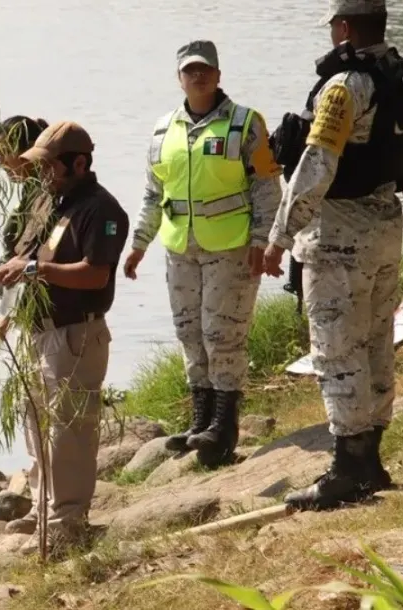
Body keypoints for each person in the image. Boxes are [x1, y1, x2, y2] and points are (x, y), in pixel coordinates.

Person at [264, 0, 403, 511]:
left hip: (339, 236)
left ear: (345, 28)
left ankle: (348, 471)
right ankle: (369, 458)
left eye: (333, 25)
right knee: (375, 342)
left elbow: (316, 165)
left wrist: (279, 235)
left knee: (336, 349)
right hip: (386, 226)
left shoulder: (343, 87)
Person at [122, 40, 283, 468]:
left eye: (205, 69)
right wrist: (139, 244)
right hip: (180, 248)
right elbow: (153, 193)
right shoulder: (164, 129)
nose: (198, 76)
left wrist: (262, 241)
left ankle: (224, 426)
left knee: (222, 333)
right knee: (189, 332)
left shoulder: (245, 123)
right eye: (190, 70)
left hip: (231, 246)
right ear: (179, 78)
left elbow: (267, 186)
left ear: (218, 74)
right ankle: (200, 421)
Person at [0, 121, 129, 555]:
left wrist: (35, 270)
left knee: (69, 433)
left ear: (79, 164)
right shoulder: (44, 199)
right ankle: (42, 510)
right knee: (35, 426)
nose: (43, 174)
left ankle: (68, 521)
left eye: (50, 166)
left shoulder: (102, 210)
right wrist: (6, 285)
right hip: (36, 330)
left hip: (75, 333)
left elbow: (95, 274)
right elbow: (21, 254)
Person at [0, 115, 50, 260]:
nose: (0, 162)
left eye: (5, 152)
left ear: (30, 150)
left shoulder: (50, 192)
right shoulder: (30, 189)